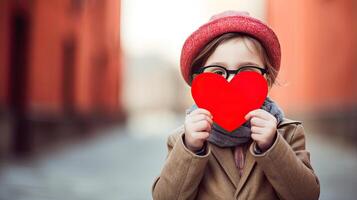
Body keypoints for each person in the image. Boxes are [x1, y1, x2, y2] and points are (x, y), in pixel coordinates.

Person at [152, 11, 320, 200]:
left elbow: (307, 196)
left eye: (247, 70)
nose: (231, 81)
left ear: (267, 82)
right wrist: (191, 149)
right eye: (218, 71)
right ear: (198, 82)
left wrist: (272, 145)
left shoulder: (287, 133)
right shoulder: (182, 140)